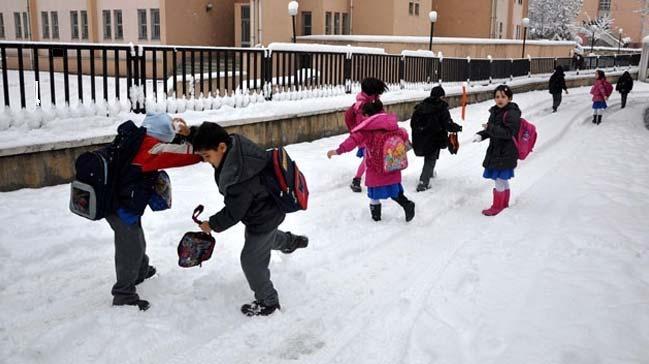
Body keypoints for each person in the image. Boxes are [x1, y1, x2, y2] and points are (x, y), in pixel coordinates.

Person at [191, 122, 309, 317]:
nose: (205, 161)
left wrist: (211, 224)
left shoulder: (240, 177)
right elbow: (211, 135)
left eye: (207, 156)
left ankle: (268, 301)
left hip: (263, 218)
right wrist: (191, 134)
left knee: (251, 260)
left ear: (221, 147)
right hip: (265, 209)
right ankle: (290, 242)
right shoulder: (235, 147)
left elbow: (233, 213)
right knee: (263, 242)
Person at [110, 113, 202, 311]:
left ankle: (140, 271)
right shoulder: (151, 149)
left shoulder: (136, 138)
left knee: (135, 238)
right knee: (130, 246)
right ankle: (123, 293)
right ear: (162, 136)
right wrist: (201, 145)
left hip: (121, 200)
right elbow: (190, 155)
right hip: (120, 205)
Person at [328, 99, 415, 222]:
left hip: (376, 167)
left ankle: (376, 219)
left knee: (374, 194)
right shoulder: (391, 124)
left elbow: (353, 140)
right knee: (394, 190)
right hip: (392, 164)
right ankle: (407, 204)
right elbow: (404, 136)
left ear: (368, 115)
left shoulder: (367, 129)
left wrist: (339, 150)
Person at [472, 85, 521, 217]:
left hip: (506, 152)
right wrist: (482, 135)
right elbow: (491, 129)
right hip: (497, 150)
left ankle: (497, 206)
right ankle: (503, 203)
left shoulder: (512, 113)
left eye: (503, 97)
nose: (499, 99)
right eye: (497, 97)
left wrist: (490, 128)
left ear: (509, 98)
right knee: (502, 179)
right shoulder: (495, 111)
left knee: (499, 179)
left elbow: (508, 133)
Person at [410, 85, 462, 191]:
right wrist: (457, 128)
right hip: (434, 138)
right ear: (441, 97)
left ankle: (429, 174)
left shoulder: (421, 106)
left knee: (431, 157)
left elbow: (413, 123)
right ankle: (423, 183)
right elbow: (447, 123)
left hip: (421, 137)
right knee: (430, 159)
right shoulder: (441, 107)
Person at [345, 78, 389, 193]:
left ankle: (374, 178)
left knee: (370, 158)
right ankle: (356, 180)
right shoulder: (361, 106)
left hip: (374, 137)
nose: (378, 96)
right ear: (372, 92)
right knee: (367, 158)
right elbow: (363, 125)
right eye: (377, 93)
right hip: (365, 138)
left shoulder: (373, 101)